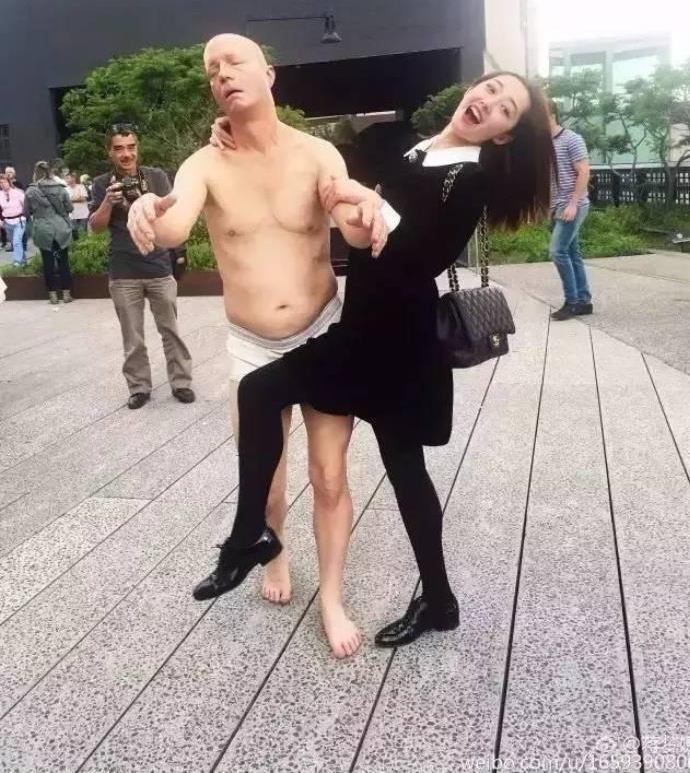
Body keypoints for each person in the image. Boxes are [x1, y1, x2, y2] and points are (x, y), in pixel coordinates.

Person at [140, 71, 554, 649]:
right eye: (489, 89)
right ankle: (252, 535)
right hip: (358, 332)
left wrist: (376, 207)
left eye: (505, 108)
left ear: (505, 134)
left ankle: (438, 601)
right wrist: (234, 127)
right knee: (259, 391)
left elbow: (423, 259)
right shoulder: (414, 148)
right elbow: (313, 158)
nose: (487, 103)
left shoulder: (470, 178)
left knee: (406, 474)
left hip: (400, 346)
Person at [126, 33, 388, 658]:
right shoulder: (205, 163)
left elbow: (352, 228)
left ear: (268, 74)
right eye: (212, 70)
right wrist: (147, 212)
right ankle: (274, 552)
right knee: (267, 483)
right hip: (252, 347)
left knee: (329, 477)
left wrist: (366, 209)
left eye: (234, 62)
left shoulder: (317, 154)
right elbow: (174, 222)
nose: (222, 73)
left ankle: (331, 597)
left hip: (322, 334)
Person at [89, 127, 194, 410]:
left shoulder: (156, 177)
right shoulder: (102, 183)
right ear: (110, 152)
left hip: (159, 266)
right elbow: (95, 227)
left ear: (137, 148)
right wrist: (107, 203)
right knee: (132, 337)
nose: (126, 154)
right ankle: (138, 387)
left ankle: (181, 383)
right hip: (123, 271)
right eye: (119, 148)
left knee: (171, 331)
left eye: (131, 146)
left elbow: (174, 215)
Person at [547, 99, 593, 320]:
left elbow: (584, 172)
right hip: (556, 205)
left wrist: (573, 204)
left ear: (551, 113)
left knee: (557, 251)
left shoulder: (572, 139)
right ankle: (584, 301)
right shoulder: (543, 144)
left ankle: (572, 302)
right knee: (572, 253)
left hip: (572, 204)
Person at [24, 161, 74, 305]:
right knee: (63, 261)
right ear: (50, 172)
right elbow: (70, 208)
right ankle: (66, 294)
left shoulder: (30, 191)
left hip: (42, 228)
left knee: (48, 262)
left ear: (35, 173)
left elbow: (26, 212)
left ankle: (52, 295)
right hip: (60, 227)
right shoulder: (60, 188)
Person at [0, 175, 26, 267]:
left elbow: (26, 205)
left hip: (19, 221)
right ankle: (23, 262)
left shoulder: (18, 192)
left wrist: (26, 215)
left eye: (4, 182)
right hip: (7, 222)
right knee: (15, 243)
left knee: (16, 241)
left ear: (9, 182)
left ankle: (17, 262)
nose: (2, 184)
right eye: (0, 183)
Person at [66, 172, 90, 238]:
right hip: (72, 215)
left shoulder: (81, 187)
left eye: (68, 178)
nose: (66, 180)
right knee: (74, 234)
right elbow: (65, 201)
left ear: (73, 178)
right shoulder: (65, 189)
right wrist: (77, 197)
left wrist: (70, 199)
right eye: (66, 178)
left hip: (83, 214)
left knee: (83, 234)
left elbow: (83, 198)